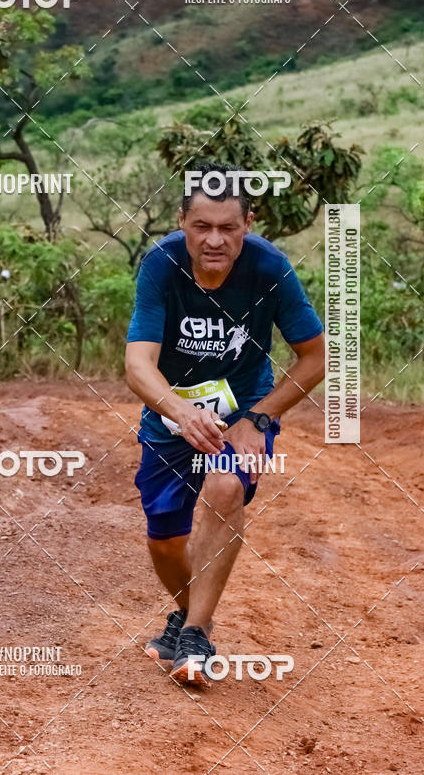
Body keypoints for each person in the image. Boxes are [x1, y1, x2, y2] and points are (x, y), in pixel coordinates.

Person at [125, 167, 325, 685]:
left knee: (223, 487)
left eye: (228, 228)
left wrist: (260, 417)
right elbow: (138, 365)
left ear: (247, 225)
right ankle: (186, 618)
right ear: (182, 223)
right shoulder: (162, 266)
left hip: (245, 407)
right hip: (173, 410)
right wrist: (180, 412)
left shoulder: (270, 268)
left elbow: (315, 356)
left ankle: (195, 634)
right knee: (166, 538)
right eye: (201, 226)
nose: (214, 240)